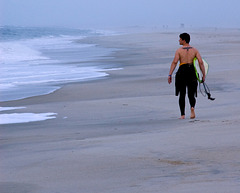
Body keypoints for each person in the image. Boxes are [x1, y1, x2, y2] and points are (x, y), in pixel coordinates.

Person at [168, 33, 205, 119]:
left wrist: (170, 74)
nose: (179, 40)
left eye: (180, 39)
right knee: (191, 93)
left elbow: (174, 62)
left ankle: (182, 115)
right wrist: (203, 75)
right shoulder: (195, 50)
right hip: (191, 71)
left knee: (182, 94)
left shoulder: (179, 50)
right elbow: (200, 62)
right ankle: (192, 107)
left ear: (184, 40)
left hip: (182, 71)